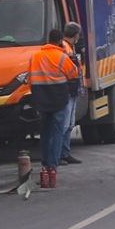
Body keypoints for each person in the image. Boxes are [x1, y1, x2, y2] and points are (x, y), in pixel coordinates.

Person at [28, 29, 81, 188]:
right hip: (58, 99)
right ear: (59, 41)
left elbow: (29, 78)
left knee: (45, 132)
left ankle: (45, 164)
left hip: (42, 100)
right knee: (58, 132)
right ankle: (53, 166)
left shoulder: (35, 56)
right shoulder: (61, 56)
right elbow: (73, 73)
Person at [60, 23, 85, 166]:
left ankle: (65, 153)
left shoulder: (68, 47)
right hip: (68, 90)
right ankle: (61, 154)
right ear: (76, 36)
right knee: (64, 125)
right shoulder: (64, 47)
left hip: (72, 90)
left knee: (69, 124)